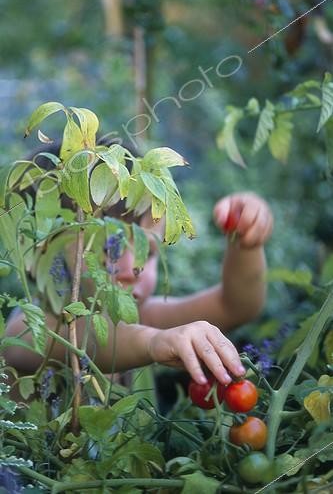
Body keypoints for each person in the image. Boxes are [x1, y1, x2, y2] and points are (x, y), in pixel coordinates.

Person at [4, 143, 273, 388]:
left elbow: (235, 306)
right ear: (45, 251)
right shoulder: (27, 330)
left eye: (149, 253)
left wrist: (246, 242)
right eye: (111, 252)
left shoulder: (140, 318)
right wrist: (155, 341)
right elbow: (93, 343)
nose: (135, 270)